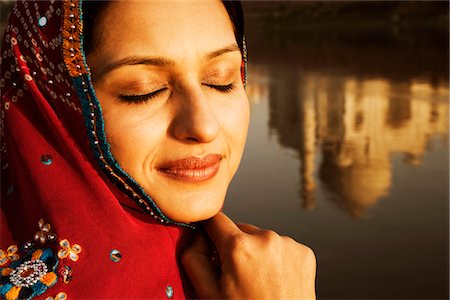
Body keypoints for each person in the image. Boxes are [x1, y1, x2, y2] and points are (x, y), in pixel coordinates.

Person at [0, 0, 316, 299]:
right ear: (57, 104)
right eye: (144, 91)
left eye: (221, 80)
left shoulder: (231, 270)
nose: (204, 126)